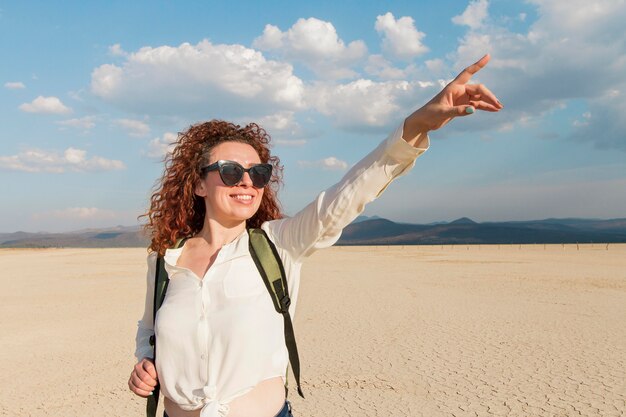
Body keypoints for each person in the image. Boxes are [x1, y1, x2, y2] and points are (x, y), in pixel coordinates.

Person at [128, 54, 503, 417]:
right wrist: (146, 363)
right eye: (229, 171)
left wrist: (417, 124)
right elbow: (150, 330)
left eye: (258, 173)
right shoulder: (165, 260)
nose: (246, 181)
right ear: (198, 185)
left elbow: (349, 193)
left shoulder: (279, 244)